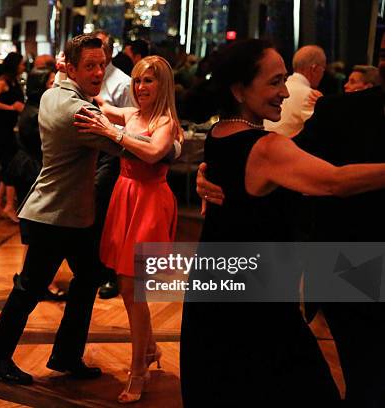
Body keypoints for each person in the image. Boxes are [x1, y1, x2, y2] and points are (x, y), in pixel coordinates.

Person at [180, 39, 385, 407]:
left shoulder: (219, 135)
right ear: (239, 89)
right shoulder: (267, 148)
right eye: (275, 82)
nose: (286, 91)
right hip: (257, 304)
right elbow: (335, 182)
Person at [0, 34, 178, 386]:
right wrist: (174, 145)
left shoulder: (55, 93)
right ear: (71, 68)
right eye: (90, 65)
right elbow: (137, 151)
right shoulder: (80, 112)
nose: (99, 71)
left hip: (70, 214)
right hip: (54, 216)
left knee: (88, 278)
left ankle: (66, 355)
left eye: (102, 64)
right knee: (30, 288)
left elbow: (113, 116)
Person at [73, 55, 182, 403]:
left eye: (148, 80)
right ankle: (148, 349)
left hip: (149, 203)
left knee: (133, 289)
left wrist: (111, 131)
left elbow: (152, 153)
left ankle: (138, 372)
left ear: (162, 84)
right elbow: (101, 103)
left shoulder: (166, 121)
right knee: (127, 285)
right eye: (137, 80)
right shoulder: (133, 114)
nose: (140, 87)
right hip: (126, 197)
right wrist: (74, 77)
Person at [7, 68, 66, 301]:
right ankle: (40, 282)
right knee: (38, 230)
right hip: (33, 170)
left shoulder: (31, 108)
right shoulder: (38, 112)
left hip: (28, 167)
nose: (55, 86)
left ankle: (28, 279)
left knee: (33, 232)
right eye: (51, 82)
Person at [93, 29, 134, 300]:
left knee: (106, 214)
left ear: (108, 53)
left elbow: (132, 122)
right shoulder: (88, 77)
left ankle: (109, 274)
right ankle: (94, 269)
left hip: (112, 153)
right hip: (90, 151)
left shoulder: (122, 82)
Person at [0, 52, 26, 223]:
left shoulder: (15, 81)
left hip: (7, 128)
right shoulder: (4, 82)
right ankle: (8, 205)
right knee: (10, 163)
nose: (24, 66)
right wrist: (10, 108)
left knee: (8, 164)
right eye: (22, 63)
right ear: (15, 64)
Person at [263, 45, 326, 137]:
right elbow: (321, 132)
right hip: (284, 148)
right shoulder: (310, 96)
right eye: (323, 69)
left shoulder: (278, 89)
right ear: (314, 69)